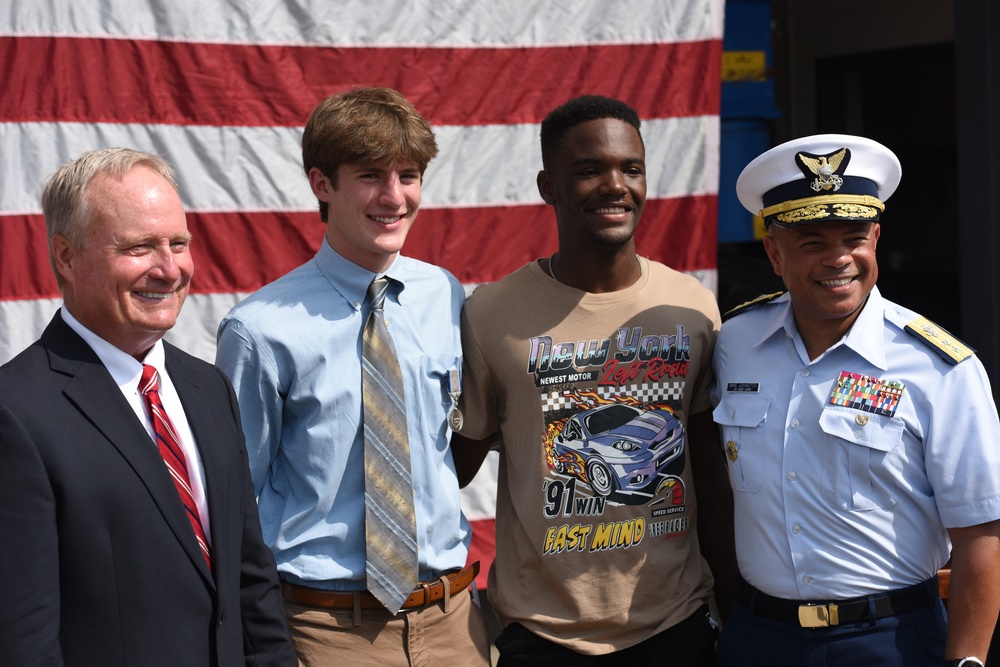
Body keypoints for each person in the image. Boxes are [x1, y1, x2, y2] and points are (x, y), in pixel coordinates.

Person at [450, 94, 735, 665]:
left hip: (675, 624)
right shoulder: (490, 315)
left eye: (631, 168)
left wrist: (733, 608)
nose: (615, 185)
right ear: (547, 186)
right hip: (540, 633)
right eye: (588, 171)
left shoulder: (692, 306)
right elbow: (452, 467)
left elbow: (709, 470)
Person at [215, 87, 490, 666]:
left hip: (454, 625)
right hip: (328, 631)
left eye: (409, 175)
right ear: (321, 184)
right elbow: (236, 498)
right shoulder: (258, 330)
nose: (394, 197)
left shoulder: (443, 294)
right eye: (370, 176)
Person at [0, 148, 297, 666]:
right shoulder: (16, 412)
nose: (169, 269)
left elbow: (250, 577)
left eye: (178, 243)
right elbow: (23, 637)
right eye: (139, 247)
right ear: (66, 257)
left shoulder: (208, 387)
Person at [711, 133, 1000, 667]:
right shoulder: (734, 344)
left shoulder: (942, 368)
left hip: (889, 640)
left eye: (854, 237)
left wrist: (967, 662)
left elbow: (981, 532)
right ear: (774, 253)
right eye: (812, 242)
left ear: (876, 239)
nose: (838, 259)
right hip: (756, 639)